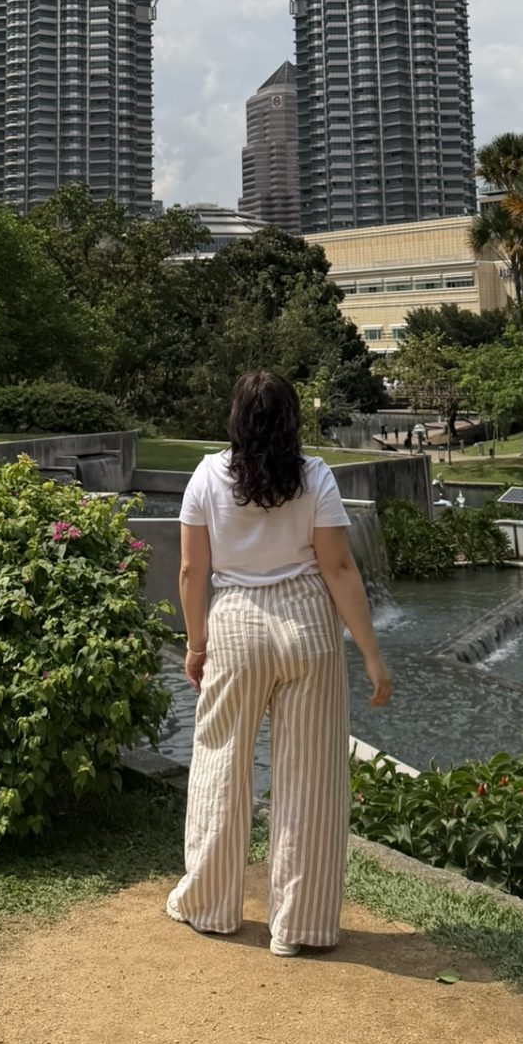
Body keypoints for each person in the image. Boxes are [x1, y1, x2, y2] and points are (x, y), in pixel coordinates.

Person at [167, 370, 391, 958]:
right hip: (308, 627)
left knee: (222, 763)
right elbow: (340, 571)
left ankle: (211, 907)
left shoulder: (206, 476)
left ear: (235, 419)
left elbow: (192, 571)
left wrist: (195, 645)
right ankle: (301, 927)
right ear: (293, 418)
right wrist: (371, 655)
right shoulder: (316, 476)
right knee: (311, 779)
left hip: (236, 623)